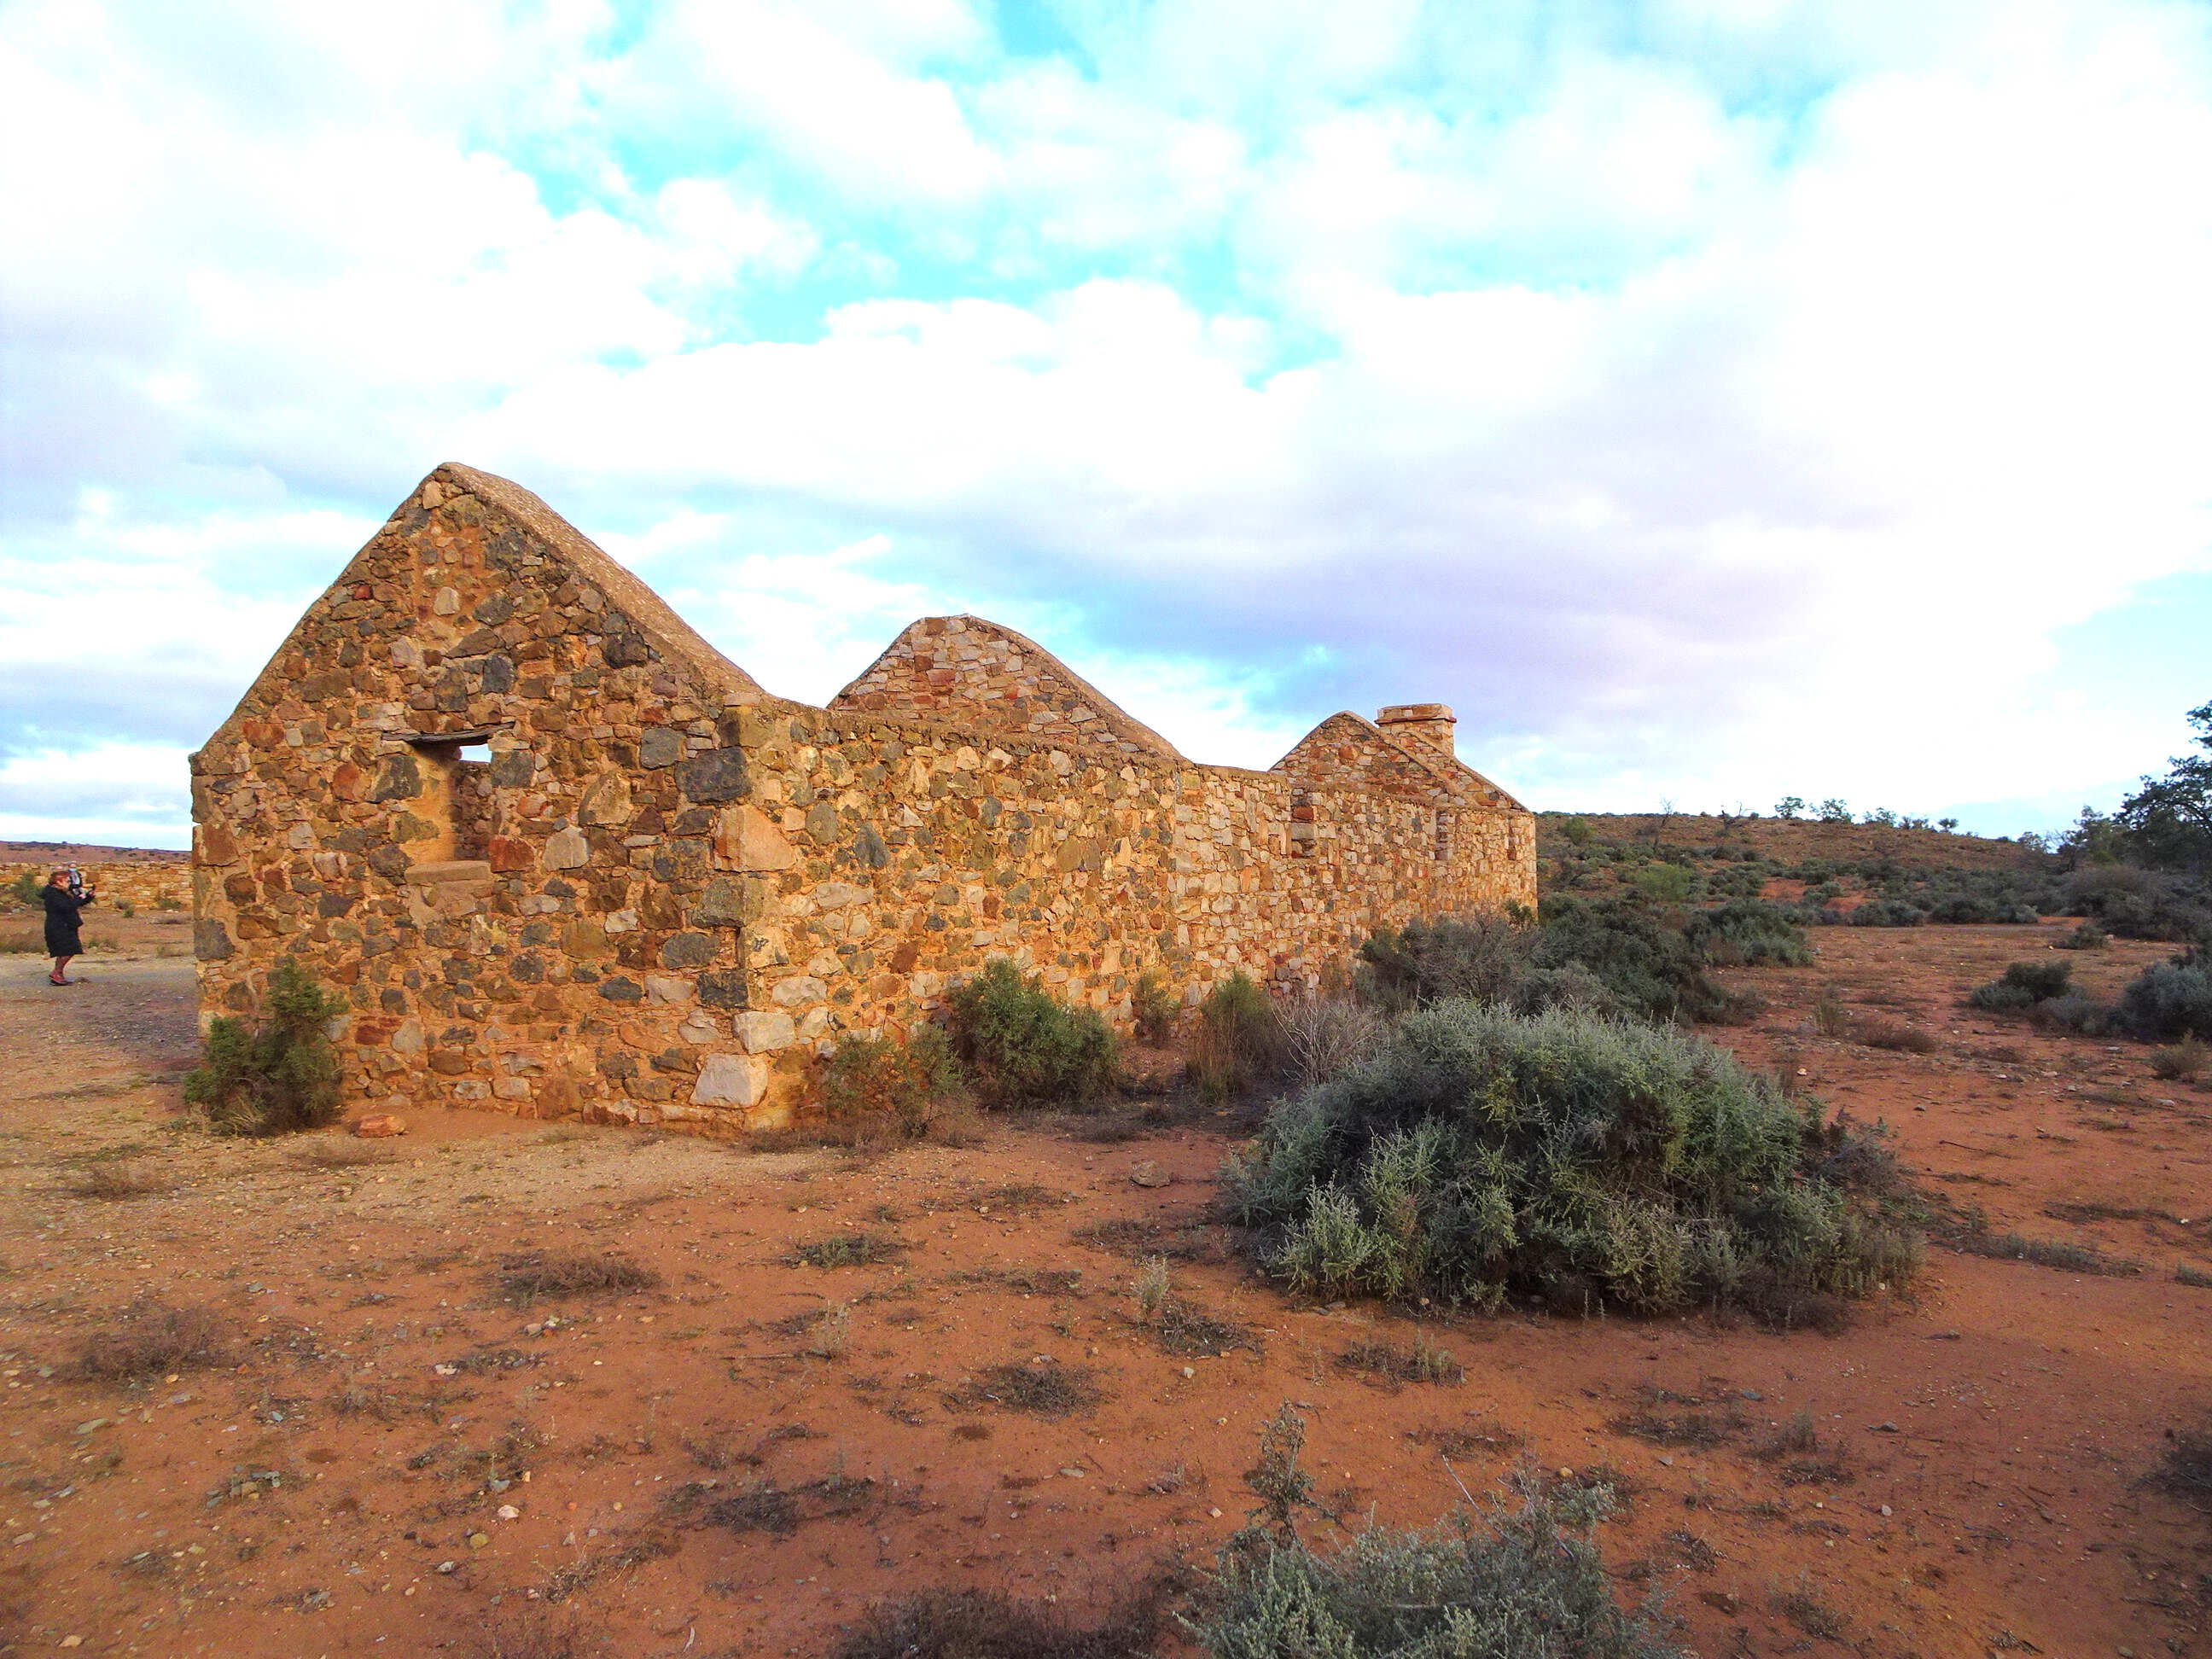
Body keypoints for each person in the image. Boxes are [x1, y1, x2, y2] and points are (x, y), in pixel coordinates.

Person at [43, 868, 96, 987]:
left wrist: (88, 898)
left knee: (64, 951)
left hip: (66, 924)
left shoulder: (62, 892)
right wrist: (79, 898)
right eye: (66, 880)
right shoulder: (53, 894)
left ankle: (58, 975)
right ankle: (56, 973)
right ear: (58, 881)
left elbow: (73, 904)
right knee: (69, 950)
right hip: (59, 926)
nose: (68, 882)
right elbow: (65, 907)